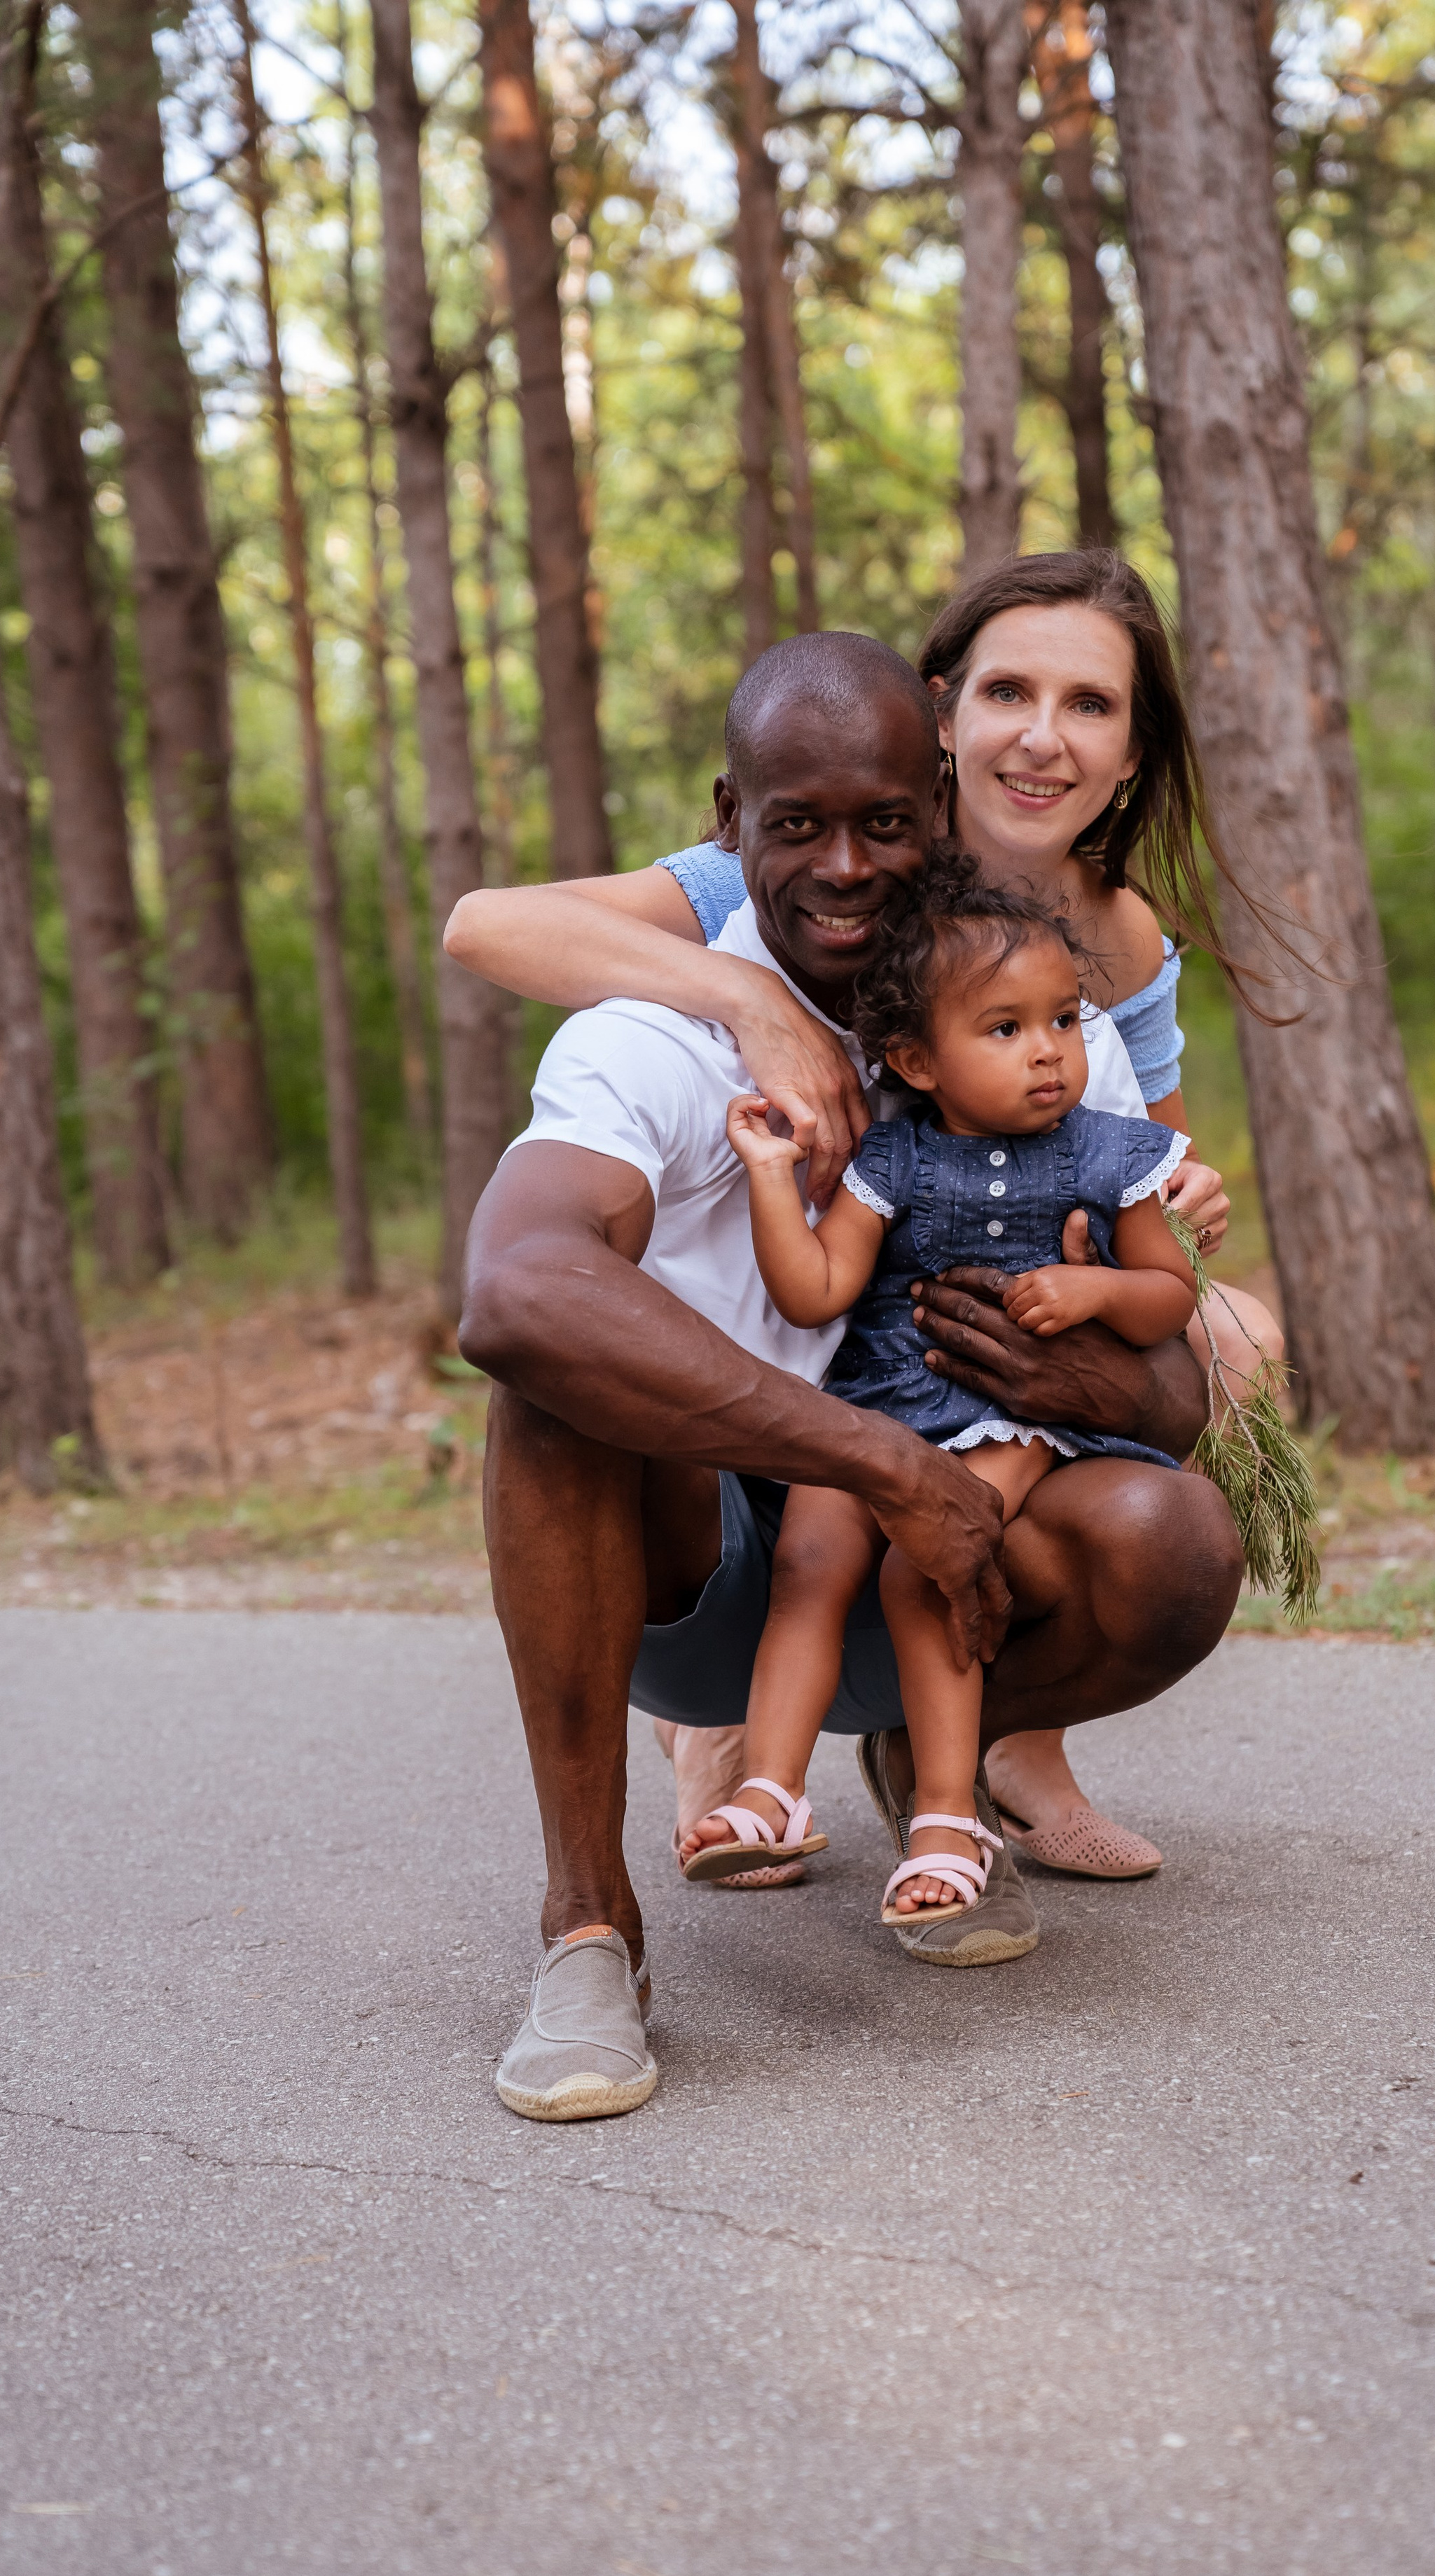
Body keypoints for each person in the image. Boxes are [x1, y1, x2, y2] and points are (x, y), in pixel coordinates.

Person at [457, 632, 1244, 2120]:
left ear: (938, 813)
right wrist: (879, 1462)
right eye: (795, 825)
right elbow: (511, 1289)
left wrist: (1065, 1368)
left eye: (884, 823)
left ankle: (929, 1757)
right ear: (726, 822)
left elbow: (1175, 1405)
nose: (842, 866)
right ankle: (585, 1930)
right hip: (705, 1560)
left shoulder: (1035, 1026)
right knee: (552, 1380)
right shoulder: (653, 1030)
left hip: (948, 1556)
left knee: (1173, 1539)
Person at [694, 865, 1200, 1924]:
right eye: (1006, 1029)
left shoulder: (1110, 1153)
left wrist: (1096, 1285)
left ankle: (941, 1819)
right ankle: (769, 1793)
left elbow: (1167, 1297)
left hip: (1015, 1414)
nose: (1051, 1049)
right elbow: (815, 1286)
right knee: (810, 1558)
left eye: (1063, 1018)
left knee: (930, 1571)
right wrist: (770, 1178)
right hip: (880, 1400)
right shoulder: (894, 1159)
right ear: (917, 1061)